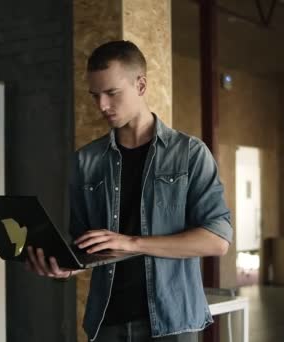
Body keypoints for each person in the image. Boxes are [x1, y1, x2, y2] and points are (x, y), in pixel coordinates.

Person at [25, 40, 233, 342]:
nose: (102, 106)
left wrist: (132, 243)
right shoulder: (86, 161)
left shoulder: (189, 154)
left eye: (112, 93)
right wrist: (66, 266)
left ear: (141, 85)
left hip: (173, 322)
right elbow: (87, 244)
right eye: (96, 95)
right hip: (107, 322)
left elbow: (217, 240)